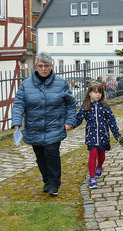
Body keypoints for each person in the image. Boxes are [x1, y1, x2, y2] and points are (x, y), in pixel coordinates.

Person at [12, 52, 77, 197]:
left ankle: (54, 183)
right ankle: (47, 181)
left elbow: (71, 104)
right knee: (40, 157)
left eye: (46, 66)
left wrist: (70, 121)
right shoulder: (26, 85)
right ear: (36, 66)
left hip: (54, 127)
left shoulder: (61, 83)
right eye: (40, 66)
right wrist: (16, 123)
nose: (43, 69)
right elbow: (18, 104)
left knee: (51, 154)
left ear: (51, 65)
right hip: (34, 127)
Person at [75, 81, 121, 189]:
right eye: (95, 92)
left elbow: (111, 121)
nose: (98, 94)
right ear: (89, 93)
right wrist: (70, 125)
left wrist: (117, 135)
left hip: (103, 135)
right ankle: (92, 178)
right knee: (93, 154)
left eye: (99, 92)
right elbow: (78, 119)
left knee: (101, 155)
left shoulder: (105, 105)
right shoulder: (85, 106)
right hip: (91, 135)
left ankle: (99, 166)